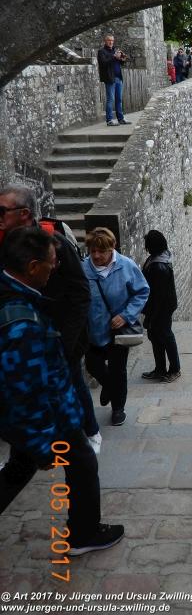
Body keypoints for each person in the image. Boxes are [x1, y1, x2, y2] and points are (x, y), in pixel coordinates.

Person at [0, 227, 124, 556]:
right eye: (51, 263)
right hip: (53, 418)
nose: (56, 268)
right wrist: (43, 445)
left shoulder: (18, 297)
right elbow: (25, 390)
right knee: (83, 464)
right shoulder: (21, 320)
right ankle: (84, 534)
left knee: (16, 471)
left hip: (49, 413)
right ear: (32, 267)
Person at [0, 185, 101, 454]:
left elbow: (81, 293)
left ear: (23, 214)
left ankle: (90, 433)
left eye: (2, 211)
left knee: (73, 382)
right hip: (25, 334)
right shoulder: (6, 246)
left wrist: (67, 343)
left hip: (61, 335)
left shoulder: (54, 244)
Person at [83, 228, 149, 426]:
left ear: (112, 248)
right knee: (93, 365)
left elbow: (142, 291)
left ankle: (118, 409)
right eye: (93, 251)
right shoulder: (83, 269)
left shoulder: (126, 266)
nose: (96, 256)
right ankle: (109, 386)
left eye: (101, 251)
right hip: (93, 330)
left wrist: (126, 315)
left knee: (118, 370)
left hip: (118, 331)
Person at [140, 231, 181, 382]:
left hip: (161, 308)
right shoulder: (158, 258)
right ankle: (160, 369)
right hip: (160, 305)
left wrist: (151, 317)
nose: (146, 248)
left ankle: (175, 369)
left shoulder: (159, 267)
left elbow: (159, 296)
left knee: (165, 336)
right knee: (155, 336)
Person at [97, 34, 130, 126]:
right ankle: (109, 120)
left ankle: (121, 119)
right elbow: (103, 63)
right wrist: (114, 57)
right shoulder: (101, 51)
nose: (111, 42)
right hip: (110, 78)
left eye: (112, 40)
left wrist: (122, 58)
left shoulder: (115, 50)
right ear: (105, 41)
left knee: (119, 99)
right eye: (109, 40)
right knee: (110, 99)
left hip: (119, 78)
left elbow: (121, 62)